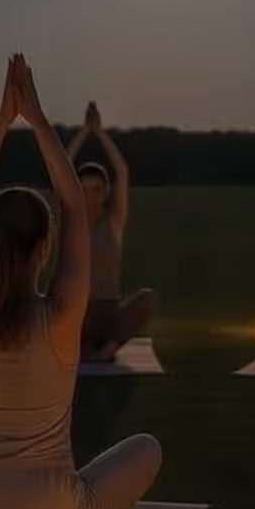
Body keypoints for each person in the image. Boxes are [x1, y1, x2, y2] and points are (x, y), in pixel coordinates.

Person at [0, 57, 163, 509]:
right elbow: (74, 206)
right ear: (44, 249)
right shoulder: (61, 318)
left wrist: (1, 123)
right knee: (145, 450)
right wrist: (38, 121)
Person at [65, 101, 157, 363]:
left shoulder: (113, 221)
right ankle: (85, 350)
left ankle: (106, 350)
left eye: (96, 190)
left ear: (106, 193)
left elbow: (122, 171)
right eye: (83, 189)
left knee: (147, 299)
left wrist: (100, 133)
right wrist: (84, 133)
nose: (90, 196)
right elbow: (60, 167)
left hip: (108, 311)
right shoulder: (71, 221)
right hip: (77, 313)